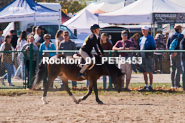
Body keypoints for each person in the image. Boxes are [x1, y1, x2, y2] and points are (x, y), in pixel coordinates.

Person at [139, 26, 156, 91]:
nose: (143, 31)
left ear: (147, 31)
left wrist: (150, 55)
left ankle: (150, 86)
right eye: (142, 30)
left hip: (148, 57)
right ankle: (146, 85)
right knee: (144, 71)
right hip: (142, 57)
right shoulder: (141, 38)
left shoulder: (150, 38)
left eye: (144, 30)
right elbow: (139, 47)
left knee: (150, 71)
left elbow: (153, 47)